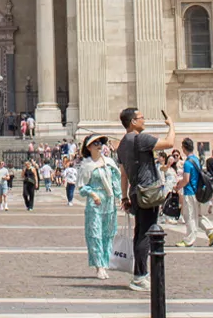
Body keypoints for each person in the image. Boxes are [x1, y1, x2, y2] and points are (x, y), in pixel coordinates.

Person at [118, 106, 176, 294]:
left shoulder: (122, 144)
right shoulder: (140, 139)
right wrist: (171, 125)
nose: (144, 120)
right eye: (141, 118)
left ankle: (139, 274)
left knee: (139, 233)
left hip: (135, 193)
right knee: (146, 234)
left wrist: (125, 196)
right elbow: (169, 143)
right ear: (133, 122)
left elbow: (124, 174)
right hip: (148, 192)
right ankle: (140, 276)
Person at [78, 134, 123, 280]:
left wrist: (121, 197)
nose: (99, 145)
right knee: (95, 234)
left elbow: (116, 181)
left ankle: (105, 262)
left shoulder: (109, 162)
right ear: (88, 147)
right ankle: (99, 266)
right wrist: (92, 194)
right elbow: (82, 187)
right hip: (95, 204)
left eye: (100, 143)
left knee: (108, 234)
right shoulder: (86, 165)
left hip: (109, 203)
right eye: (95, 143)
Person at [174, 138, 213, 248]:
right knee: (197, 215)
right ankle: (211, 231)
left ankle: (189, 240)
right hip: (197, 192)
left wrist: (178, 186)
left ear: (184, 148)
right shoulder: (196, 160)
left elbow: (186, 179)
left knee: (189, 216)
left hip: (189, 192)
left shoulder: (187, 163)